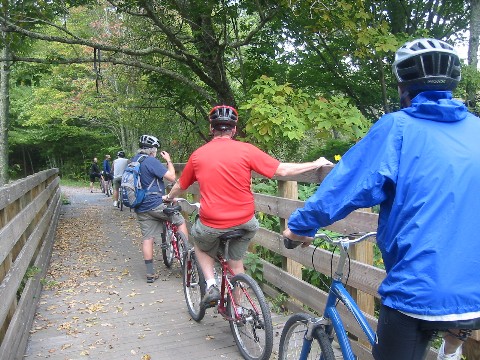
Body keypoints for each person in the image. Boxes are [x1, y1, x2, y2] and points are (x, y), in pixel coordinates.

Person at [282, 38, 480, 360]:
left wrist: (302, 225)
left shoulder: (398, 128)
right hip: (474, 290)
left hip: (418, 292)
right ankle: (451, 351)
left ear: (404, 85)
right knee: (455, 323)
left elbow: (347, 184)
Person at [165, 105, 332, 307]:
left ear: (211, 128)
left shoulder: (198, 155)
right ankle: (239, 310)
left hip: (212, 223)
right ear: (234, 130)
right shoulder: (246, 150)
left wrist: (168, 197)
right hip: (245, 222)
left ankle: (210, 285)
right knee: (236, 263)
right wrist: (316, 163)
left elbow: (180, 186)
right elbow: (282, 171)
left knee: (200, 246)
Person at [130, 134, 189, 283]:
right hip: (155, 205)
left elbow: (143, 185)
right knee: (180, 221)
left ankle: (150, 274)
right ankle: (187, 259)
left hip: (141, 206)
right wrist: (168, 160)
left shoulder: (134, 161)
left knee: (147, 238)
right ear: (153, 149)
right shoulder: (151, 161)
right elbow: (172, 177)